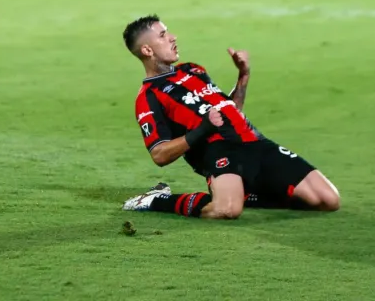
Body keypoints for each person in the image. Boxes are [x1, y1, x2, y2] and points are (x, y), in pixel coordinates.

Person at [121, 14, 340, 219]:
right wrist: (203, 129)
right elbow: (159, 155)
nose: (172, 37)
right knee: (225, 210)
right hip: (219, 152)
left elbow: (230, 110)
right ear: (148, 50)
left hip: (255, 142)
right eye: (163, 35)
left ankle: (245, 195)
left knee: (327, 200)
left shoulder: (193, 70)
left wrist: (243, 76)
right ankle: (158, 200)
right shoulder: (149, 97)